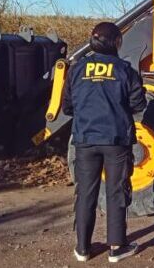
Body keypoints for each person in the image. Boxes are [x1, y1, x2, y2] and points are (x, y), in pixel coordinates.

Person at [62, 21, 147, 263]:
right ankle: (117, 248)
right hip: (116, 141)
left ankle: (82, 248)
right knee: (116, 192)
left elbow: (68, 107)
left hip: (85, 140)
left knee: (85, 193)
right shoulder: (124, 70)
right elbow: (138, 104)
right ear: (117, 42)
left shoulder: (76, 70)